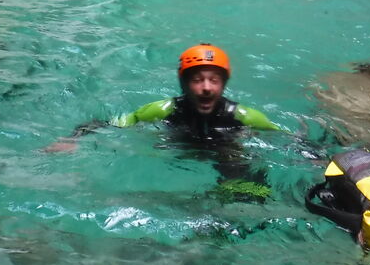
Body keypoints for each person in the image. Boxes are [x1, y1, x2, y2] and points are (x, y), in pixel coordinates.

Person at [46, 43, 287, 200]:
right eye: (197, 80)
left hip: (225, 151)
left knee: (246, 189)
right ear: (183, 83)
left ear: (223, 84)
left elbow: (288, 141)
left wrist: (317, 157)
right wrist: (71, 139)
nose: (205, 88)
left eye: (213, 80)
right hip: (180, 149)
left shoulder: (243, 117)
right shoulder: (161, 110)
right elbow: (106, 123)